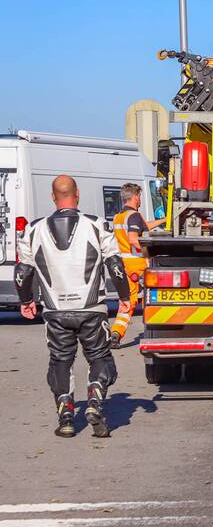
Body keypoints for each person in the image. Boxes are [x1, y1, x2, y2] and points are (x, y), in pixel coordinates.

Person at [15, 175, 131, 438]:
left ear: (53, 197)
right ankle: (95, 401)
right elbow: (115, 264)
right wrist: (124, 296)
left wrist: (26, 301)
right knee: (100, 358)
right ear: (77, 195)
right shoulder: (97, 225)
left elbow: (23, 271)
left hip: (55, 310)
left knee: (60, 360)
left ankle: (66, 415)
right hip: (91, 308)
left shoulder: (33, 229)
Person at [110, 183, 163, 347]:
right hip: (138, 262)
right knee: (157, 292)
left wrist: (165, 220)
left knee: (128, 300)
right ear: (135, 197)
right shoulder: (134, 216)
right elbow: (133, 238)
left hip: (123, 262)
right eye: (139, 196)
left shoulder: (119, 216)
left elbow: (144, 225)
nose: (140, 199)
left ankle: (116, 332)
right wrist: (150, 250)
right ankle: (159, 325)